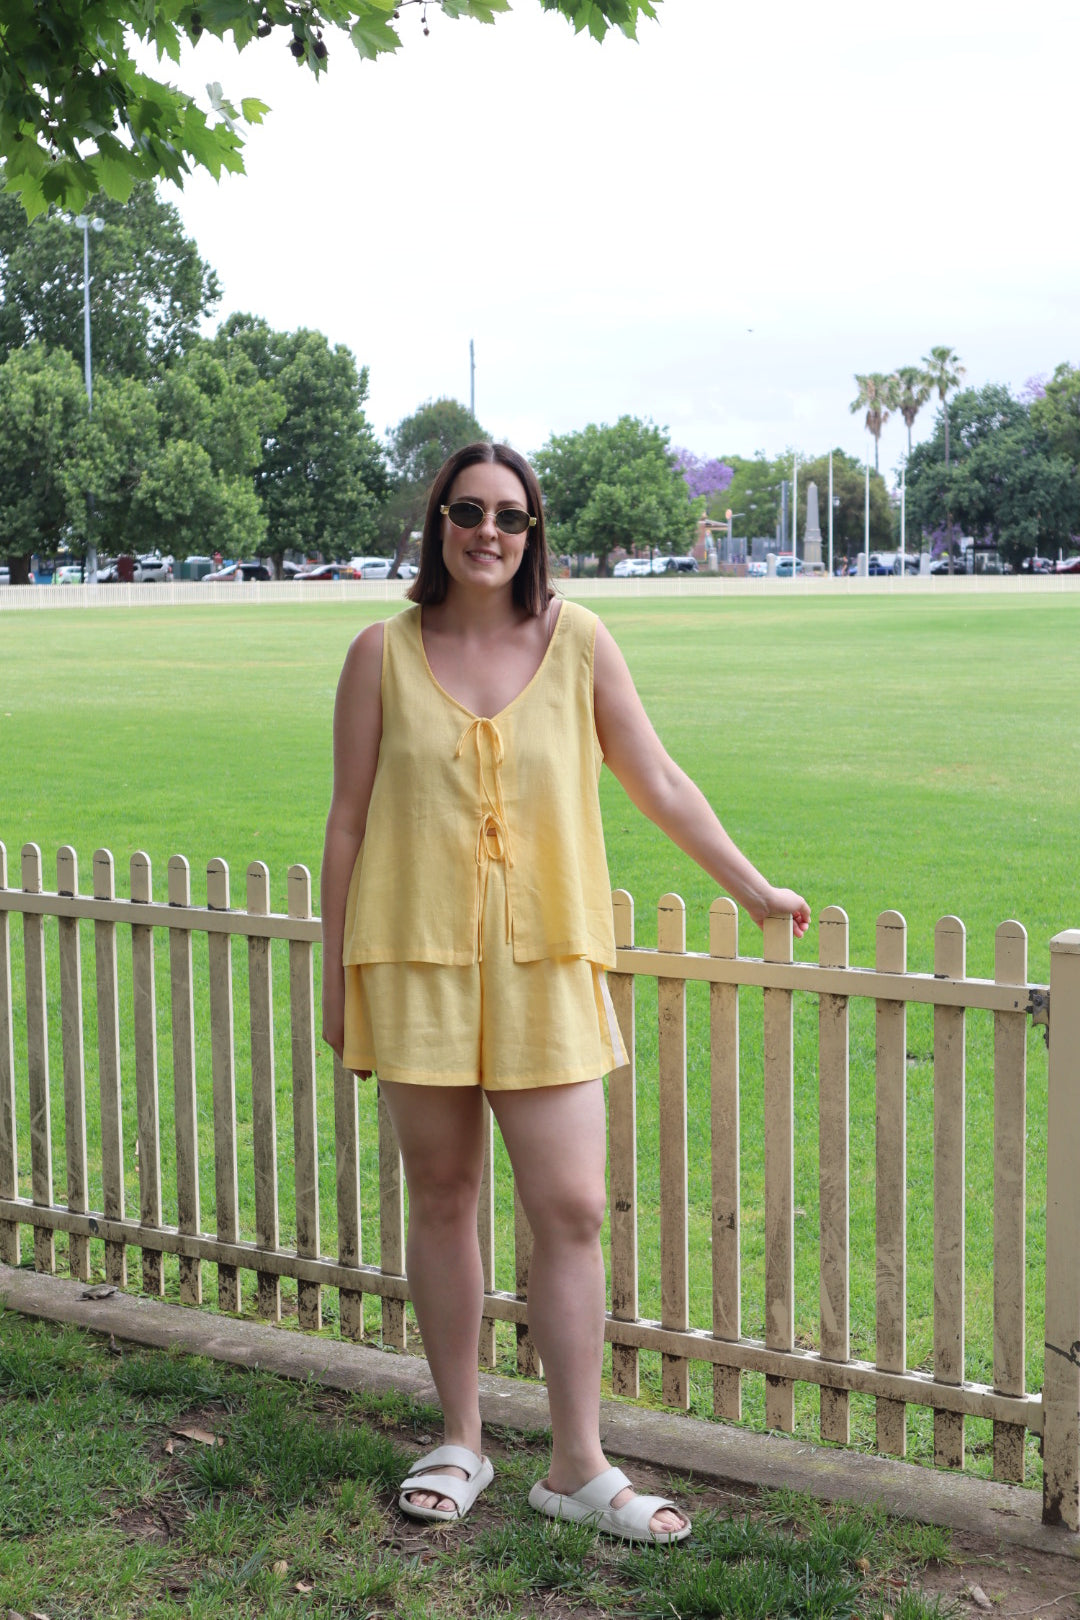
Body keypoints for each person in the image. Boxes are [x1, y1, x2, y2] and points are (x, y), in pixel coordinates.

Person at [321, 441, 810, 1544]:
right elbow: (347, 821)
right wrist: (334, 981)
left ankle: (579, 1464)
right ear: (437, 524)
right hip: (414, 962)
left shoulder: (579, 641)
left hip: (547, 963)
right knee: (440, 1195)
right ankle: (460, 1436)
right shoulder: (379, 654)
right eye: (467, 511)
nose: (488, 532)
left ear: (535, 531)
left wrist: (755, 887)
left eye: (511, 515)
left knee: (573, 1210)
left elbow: (659, 779)